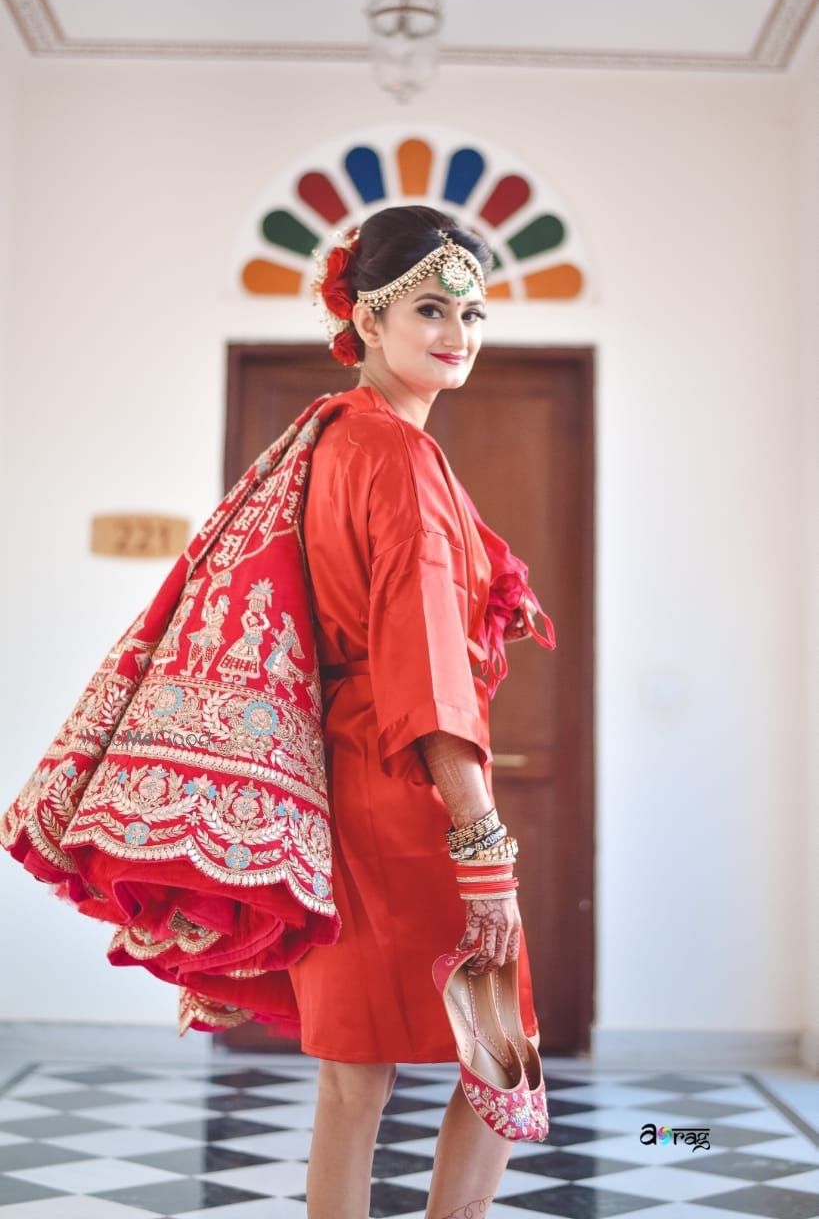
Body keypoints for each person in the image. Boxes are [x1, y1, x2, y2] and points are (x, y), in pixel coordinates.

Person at [290, 205, 553, 1217]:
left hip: (343, 777)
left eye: (474, 310)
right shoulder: (397, 454)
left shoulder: (331, 439)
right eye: (431, 306)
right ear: (365, 315)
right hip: (408, 790)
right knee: (504, 1060)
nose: (459, 331)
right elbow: (428, 670)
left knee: (355, 1075)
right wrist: (482, 844)